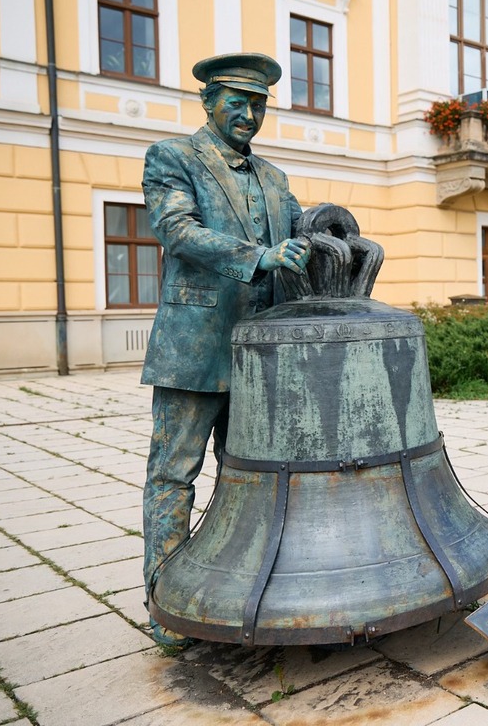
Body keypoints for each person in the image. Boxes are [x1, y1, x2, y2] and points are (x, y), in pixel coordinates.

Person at [140, 53, 310, 648]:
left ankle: (234, 586)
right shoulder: (174, 158)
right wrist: (257, 256)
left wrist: (332, 234)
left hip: (260, 357)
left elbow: (299, 229)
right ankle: (165, 601)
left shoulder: (274, 177)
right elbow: (176, 230)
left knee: (247, 478)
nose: (248, 114)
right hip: (195, 347)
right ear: (208, 103)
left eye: (258, 104)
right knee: (173, 475)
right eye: (236, 102)